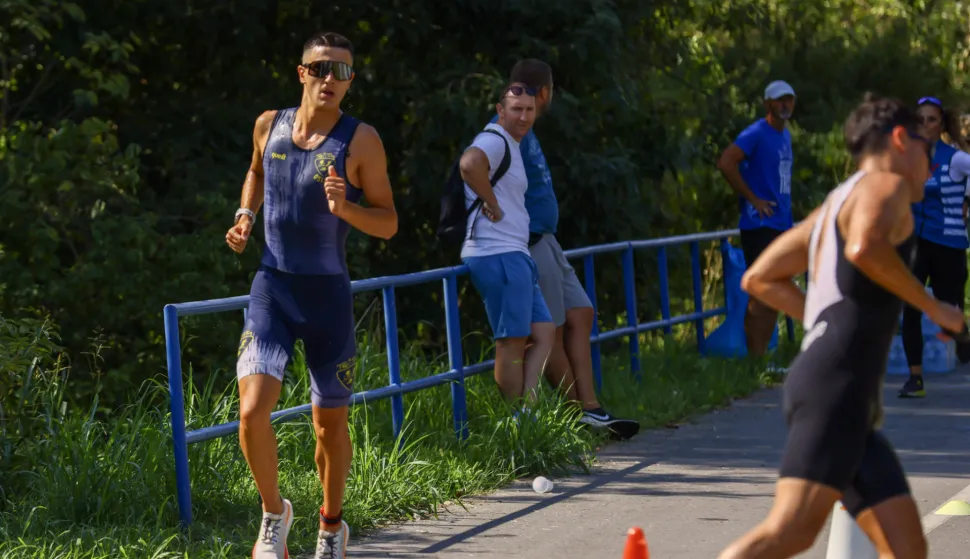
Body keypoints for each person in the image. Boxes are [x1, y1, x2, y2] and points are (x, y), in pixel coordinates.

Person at [717, 93, 964, 559]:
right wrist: (936, 308)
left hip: (839, 389)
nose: (930, 165)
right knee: (787, 533)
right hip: (836, 388)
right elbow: (865, 250)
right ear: (898, 140)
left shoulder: (835, 202)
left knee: (906, 548)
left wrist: (826, 319)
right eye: (926, 149)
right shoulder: (884, 185)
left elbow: (760, 278)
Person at [224, 31, 398, 559]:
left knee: (329, 427)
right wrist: (244, 216)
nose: (330, 80)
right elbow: (255, 171)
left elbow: (389, 223)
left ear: (350, 82)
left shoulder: (360, 140)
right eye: (321, 69)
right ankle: (274, 512)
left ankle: (331, 525)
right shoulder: (267, 125)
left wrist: (347, 210)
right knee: (252, 411)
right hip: (273, 287)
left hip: (327, 297)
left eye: (341, 72)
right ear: (302, 72)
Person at [486, 59, 640, 440]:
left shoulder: (527, 131)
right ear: (545, 92)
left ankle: (589, 407)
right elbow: (477, 173)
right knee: (548, 330)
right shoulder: (503, 132)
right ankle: (579, 413)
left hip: (548, 239)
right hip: (530, 242)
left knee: (582, 312)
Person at [460, 83, 555, 411]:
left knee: (543, 332)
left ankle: (528, 413)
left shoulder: (513, 144)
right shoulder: (495, 139)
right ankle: (514, 426)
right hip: (496, 253)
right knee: (511, 343)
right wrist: (492, 202)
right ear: (501, 111)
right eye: (516, 109)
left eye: (529, 109)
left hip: (515, 254)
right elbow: (470, 163)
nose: (524, 116)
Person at [717, 80, 796, 359]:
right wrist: (753, 199)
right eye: (779, 100)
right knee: (761, 292)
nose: (785, 105)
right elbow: (726, 161)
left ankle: (763, 359)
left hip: (781, 225)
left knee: (775, 293)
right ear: (767, 104)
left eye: (789, 100)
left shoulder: (784, 135)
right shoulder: (756, 133)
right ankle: (755, 361)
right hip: (760, 225)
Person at [897, 96, 970, 398]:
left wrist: (967, 198)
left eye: (932, 119)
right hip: (916, 244)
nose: (926, 125)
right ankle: (915, 379)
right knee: (910, 309)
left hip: (949, 244)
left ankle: (966, 345)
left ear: (941, 124)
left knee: (948, 315)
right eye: (922, 119)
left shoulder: (954, 159)